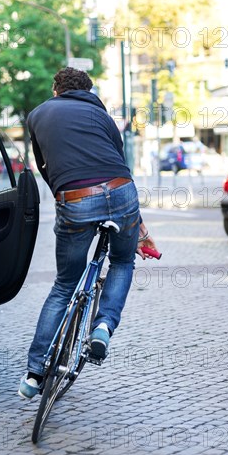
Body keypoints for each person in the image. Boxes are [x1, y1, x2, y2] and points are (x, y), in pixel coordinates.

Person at [18, 67, 159, 399]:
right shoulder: (102, 115)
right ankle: (103, 327)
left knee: (65, 284)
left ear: (56, 90)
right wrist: (138, 228)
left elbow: (43, 166)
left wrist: (66, 199)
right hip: (122, 193)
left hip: (76, 200)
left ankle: (35, 374)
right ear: (88, 91)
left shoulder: (37, 115)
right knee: (122, 262)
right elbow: (119, 165)